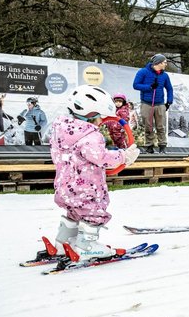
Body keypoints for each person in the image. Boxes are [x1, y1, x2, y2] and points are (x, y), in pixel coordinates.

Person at [49, 85, 140, 259]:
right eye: (101, 117)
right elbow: (101, 157)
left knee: (74, 212)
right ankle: (87, 246)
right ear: (91, 115)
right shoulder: (90, 136)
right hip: (86, 188)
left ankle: (63, 242)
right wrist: (124, 156)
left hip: (64, 186)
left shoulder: (60, 130)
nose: (102, 121)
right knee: (92, 213)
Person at [132, 54, 173, 154]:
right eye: (164, 62)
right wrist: (150, 87)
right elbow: (135, 85)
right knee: (148, 126)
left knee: (161, 126)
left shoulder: (164, 75)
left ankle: (162, 146)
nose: (166, 64)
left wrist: (169, 101)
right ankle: (149, 146)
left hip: (160, 104)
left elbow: (169, 88)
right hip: (147, 103)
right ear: (158, 63)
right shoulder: (143, 72)